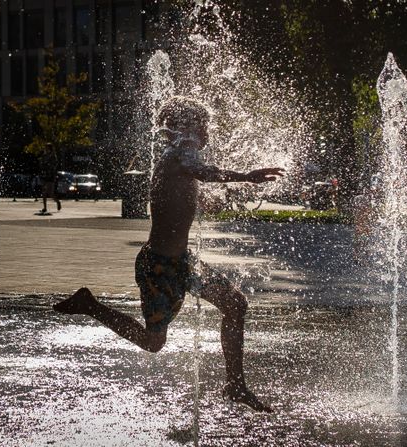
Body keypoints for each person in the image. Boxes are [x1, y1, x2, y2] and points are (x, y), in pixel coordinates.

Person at [53, 96, 283, 412]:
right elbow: (202, 172)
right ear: (183, 128)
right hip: (158, 266)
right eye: (203, 126)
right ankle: (89, 304)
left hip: (182, 261)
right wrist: (246, 176)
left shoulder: (179, 158)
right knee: (153, 342)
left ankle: (235, 386)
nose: (207, 133)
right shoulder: (178, 155)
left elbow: (185, 195)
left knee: (234, 304)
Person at [39, 144, 61, 214]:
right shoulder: (44, 156)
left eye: (47, 147)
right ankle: (45, 208)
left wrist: (48, 165)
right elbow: (41, 164)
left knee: (50, 193)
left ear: (50, 148)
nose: (45, 148)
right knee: (44, 193)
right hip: (44, 175)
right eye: (45, 147)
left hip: (50, 175)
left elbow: (54, 165)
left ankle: (57, 202)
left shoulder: (53, 156)